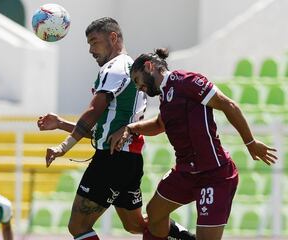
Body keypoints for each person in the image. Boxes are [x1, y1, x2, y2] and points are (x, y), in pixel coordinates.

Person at [37, 18, 195, 240]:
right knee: (136, 224)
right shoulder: (131, 70)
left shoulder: (115, 67)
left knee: (78, 226)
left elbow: (93, 112)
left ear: (113, 38)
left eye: (94, 42)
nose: (91, 50)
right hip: (128, 160)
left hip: (111, 161)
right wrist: (62, 124)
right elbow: (108, 132)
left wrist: (64, 147)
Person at [108, 48, 278, 240]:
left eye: (138, 81)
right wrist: (130, 128)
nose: (139, 88)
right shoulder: (165, 95)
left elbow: (227, 104)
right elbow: (159, 124)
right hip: (185, 172)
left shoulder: (186, 81)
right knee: (154, 214)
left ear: (149, 67)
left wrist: (250, 142)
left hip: (215, 174)